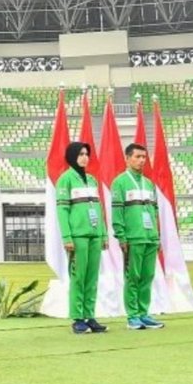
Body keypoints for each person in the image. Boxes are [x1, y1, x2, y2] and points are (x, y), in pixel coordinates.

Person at [53, 141, 106, 334]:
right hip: (77, 237)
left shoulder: (92, 180)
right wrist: (67, 237)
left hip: (95, 236)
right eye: (81, 154)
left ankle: (90, 316)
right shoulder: (65, 179)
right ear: (72, 156)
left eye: (87, 154)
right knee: (78, 277)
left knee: (92, 278)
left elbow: (99, 209)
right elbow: (62, 210)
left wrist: (104, 234)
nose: (85, 157)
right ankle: (77, 318)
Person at [112, 143, 165, 330]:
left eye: (144, 157)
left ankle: (144, 313)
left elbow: (154, 211)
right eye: (137, 157)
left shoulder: (149, 183)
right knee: (132, 277)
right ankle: (132, 316)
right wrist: (121, 236)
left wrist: (157, 236)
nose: (142, 160)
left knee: (148, 276)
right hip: (133, 238)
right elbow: (117, 212)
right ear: (127, 158)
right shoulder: (120, 182)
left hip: (150, 238)